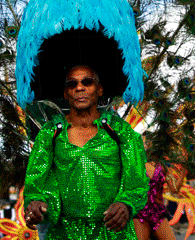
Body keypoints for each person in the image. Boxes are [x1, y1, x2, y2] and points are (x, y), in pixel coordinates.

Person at [23, 65, 149, 240]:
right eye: (72, 84)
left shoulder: (120, 131)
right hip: (64, 234)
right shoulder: (50, 132)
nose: (79, 87)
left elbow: (137, 181)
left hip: (112, 233)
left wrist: (126, 204)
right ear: (66, 93)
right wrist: (36, 203)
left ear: (99, 89)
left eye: (87, 82)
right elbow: (35, 183)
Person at [133, 162, 176, 240]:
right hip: (140, 212)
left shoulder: (163, 166)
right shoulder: (136, 161)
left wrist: (184, 170)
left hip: (158, 212)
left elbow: (174, 189)